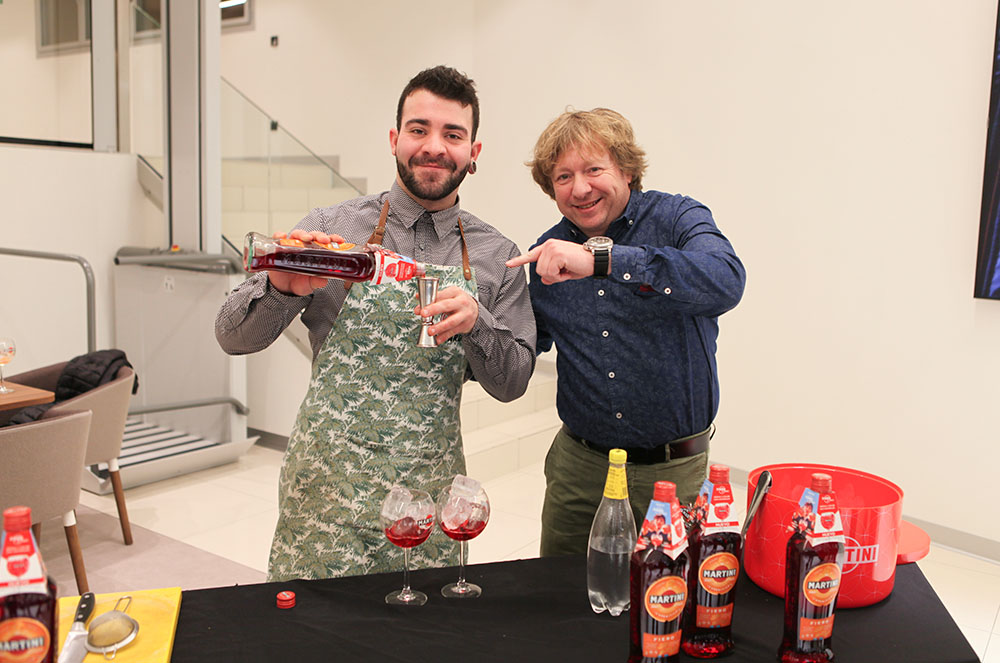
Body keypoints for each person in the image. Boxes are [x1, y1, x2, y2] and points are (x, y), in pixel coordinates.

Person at [216, 66, 536, 580]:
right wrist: (281, 287)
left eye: (453, 135)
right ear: (394, 139)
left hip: (428, 503)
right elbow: (231, 337)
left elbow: (513, 383)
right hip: (326, 495)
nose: (434, 147)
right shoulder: (331, 229)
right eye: (418, 129)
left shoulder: (498, 256)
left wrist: (477, 323)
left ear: (473, 152)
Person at [506, 108, 745, 557]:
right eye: (563, 177)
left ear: (627, 170)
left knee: (668, 594)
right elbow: (525, 344)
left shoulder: (677, 217)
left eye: (593, 170)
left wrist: (605, 261)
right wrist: (475, 322)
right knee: (559, 594)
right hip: (579, 470)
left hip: (674, 473)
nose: (580, 188)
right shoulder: (549, 252)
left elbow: (726, 280)